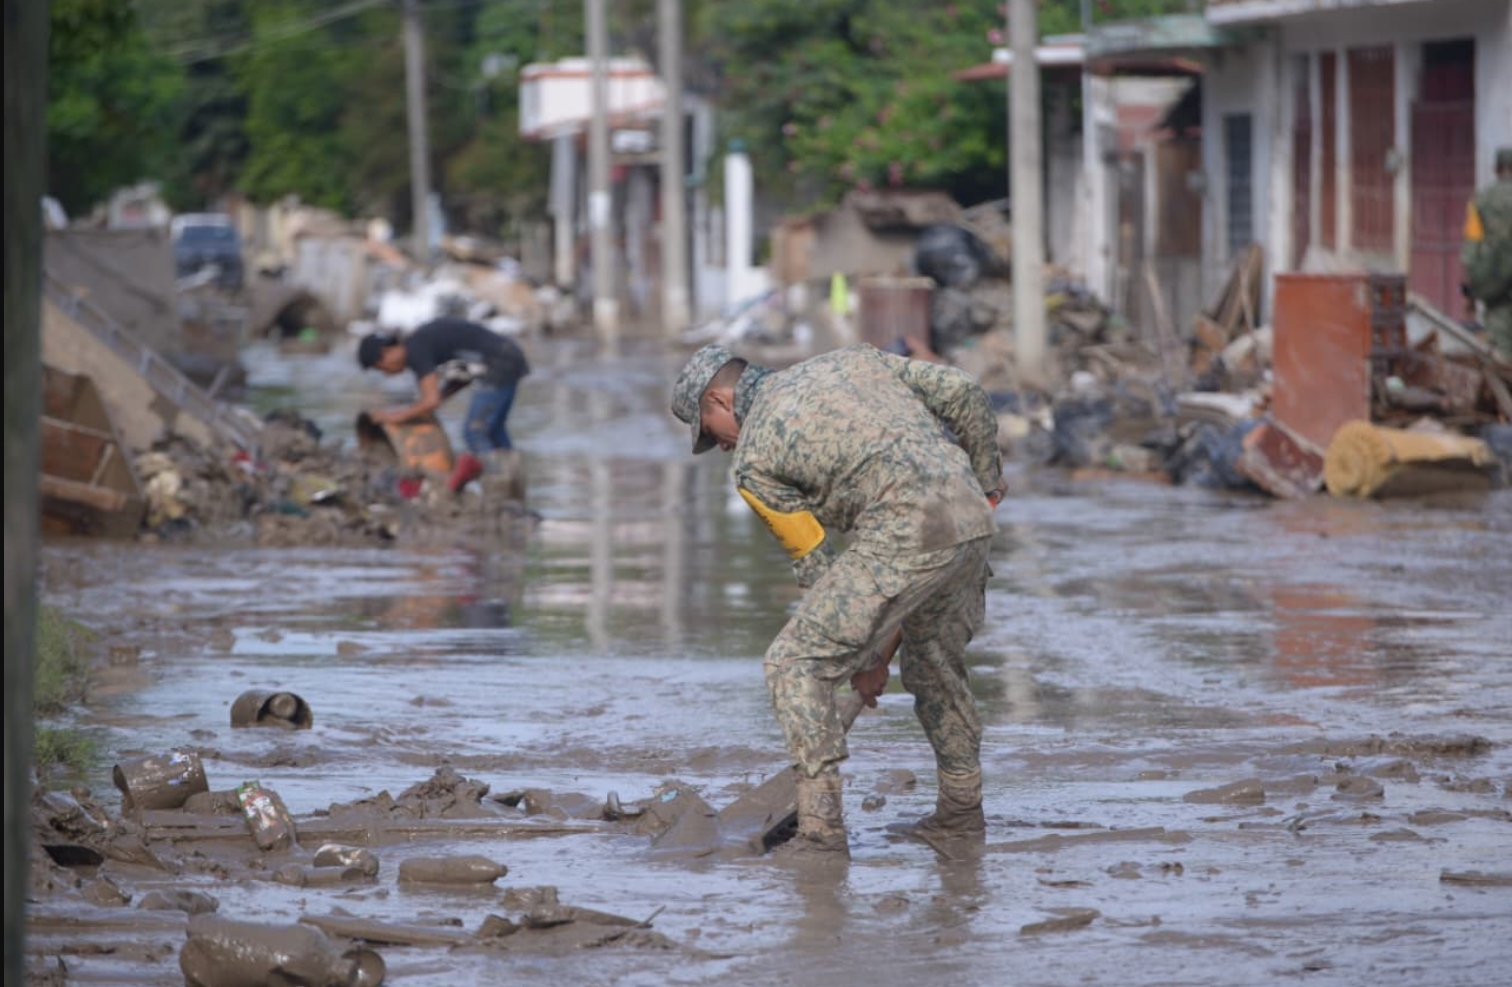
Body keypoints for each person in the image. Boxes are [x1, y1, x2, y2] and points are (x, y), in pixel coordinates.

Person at [671, 342, 1004, 859]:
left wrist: (861, 659)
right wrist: (987, 485)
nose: (722, 449)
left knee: (795, 663)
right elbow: (963, 390)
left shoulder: (756, 458)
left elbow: (818, 564)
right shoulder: (851, 361)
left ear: (719, 399)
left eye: (710, 433)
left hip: (903, 527)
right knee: (935, 663)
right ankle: (960, 816)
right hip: (970, 516)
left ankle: (821, 832)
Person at [358, 318, 530, 490]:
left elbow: (430, 400)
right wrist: (439, 398)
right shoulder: (420, 342)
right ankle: (513, 485)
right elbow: (463, 374)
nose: (386, 373)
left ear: (386, 353)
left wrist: (394, 417)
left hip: (498, 362)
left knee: (474, 432)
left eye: (380, 367)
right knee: (494, 430)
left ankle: (496, 486)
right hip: (507, 355)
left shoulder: (416, 350)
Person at [1463, 147, 1512, 363]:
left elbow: (1470, 253)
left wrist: (1469, 297)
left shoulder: (1481, 201)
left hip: (1496, 291)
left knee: (1501, 354)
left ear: (1496, 169)